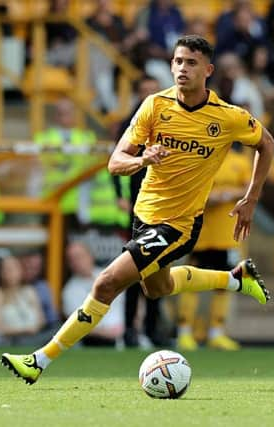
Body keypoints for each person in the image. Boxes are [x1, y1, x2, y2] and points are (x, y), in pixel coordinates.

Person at [1, 34, 274, 385]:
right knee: (157, 289)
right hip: (143, 217)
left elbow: (266, 143)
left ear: (207, 70)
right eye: (177, 61)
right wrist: (143, 157)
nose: (182, 69)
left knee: (106, 283)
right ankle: (235, 279)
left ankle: (39, 360)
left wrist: (251, 198)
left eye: (191, 63)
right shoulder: (154, 106)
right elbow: (115, 161)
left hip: (178, 225)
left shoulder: (227, 118)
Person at [176, 143, 252, 351]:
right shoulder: (202, 160)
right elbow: (191, 191)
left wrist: (227, 193)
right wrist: (214, 197)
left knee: (225, 284)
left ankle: (216, 333)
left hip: (228, 237)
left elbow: (250, 190)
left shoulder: (240, 162)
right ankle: (184, 332)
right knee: (190, 282)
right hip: (201, 235)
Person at [112, 74, 164, 348]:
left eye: (153, 90)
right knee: (133, 268)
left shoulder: (168, 121)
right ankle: (130, 330)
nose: (150, 96)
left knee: (157, 268)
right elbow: (115, 161)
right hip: (137, 207)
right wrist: (120, 197)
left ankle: (153, 328)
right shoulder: (130, 123)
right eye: (145, 91)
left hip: (162, 205)